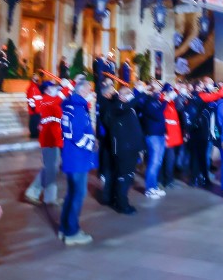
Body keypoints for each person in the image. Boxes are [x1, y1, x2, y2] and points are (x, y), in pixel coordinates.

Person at [59, 78, 98, 245]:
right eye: (89, 90)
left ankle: (65, 227)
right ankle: (72, 232)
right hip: (78, 158)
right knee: (78, 194)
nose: (91, 94)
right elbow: (77, 136)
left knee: (71, 194)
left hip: (72, 157)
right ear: (82, 91)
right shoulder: (78, 109)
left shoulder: (70, 106)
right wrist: (91, 145)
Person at [24, 79, 65, 204]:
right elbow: (60, 97)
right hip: (49, 139)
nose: (55, 89)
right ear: (47, 90)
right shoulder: (47, 100)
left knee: (52, 168)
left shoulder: (52, 101)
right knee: (50, 168)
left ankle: (50, 197)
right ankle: (33, 192)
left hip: (54, 139)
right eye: (52, 87)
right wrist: (69, 85)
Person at [104, 85, 144, 213]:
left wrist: (140, 147)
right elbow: (126, 106)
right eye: (128, 93)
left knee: (127, 176)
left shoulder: (127, 107)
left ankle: (117, 199)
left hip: (131, 148)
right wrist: (139, 93)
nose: (131, 96)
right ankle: (122, 204)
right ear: (122, 95)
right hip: (123, 149)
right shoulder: (117, 106)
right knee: (124, 177)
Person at [141, 86, 168, 198]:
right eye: (156, 90)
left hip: (160, 135)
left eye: (159, 90)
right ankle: (149, 188)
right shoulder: (148, 103)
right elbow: (157, 115)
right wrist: (165, 101)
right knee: (154, 162)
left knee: (158, 162)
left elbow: (161, 118)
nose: (158, 92)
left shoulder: (156, 102)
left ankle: (154, 186)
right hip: (153, 136)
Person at [161, 84, 184, 188]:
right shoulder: (163, 101)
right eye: (169, 92)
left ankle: (169, 179)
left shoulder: (171, 103)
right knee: (169, 159)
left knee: (171, 159)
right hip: (168, 137)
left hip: (173, 137)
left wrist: (176, 89)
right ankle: (167, 180)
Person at [25, 73, 43, 138]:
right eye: (36, 78)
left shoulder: (35, 87)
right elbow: (30, 98)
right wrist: (33, 107)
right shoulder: (32, 87)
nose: (38, 79)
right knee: (34, 122)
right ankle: (33, 133)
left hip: (37, 109)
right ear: (33, 79)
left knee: (36, 121)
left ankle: (35, 133)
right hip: (35, 109)